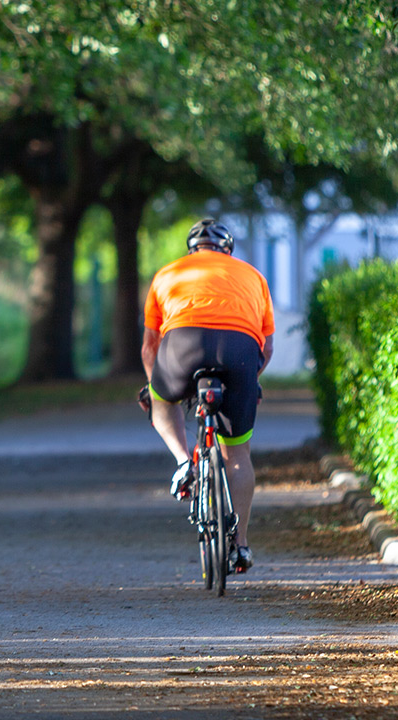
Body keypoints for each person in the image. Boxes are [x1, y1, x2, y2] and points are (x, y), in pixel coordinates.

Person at [140, 218, 273, 573]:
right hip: (240, 350)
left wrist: (156, 386)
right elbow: (267, 344)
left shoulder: (167, 273)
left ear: (191, 250)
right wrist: (249, 379)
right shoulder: (253, 276)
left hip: (182, 345)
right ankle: (240, 545)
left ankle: (184, 461)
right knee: (239, 454)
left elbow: (150, 345)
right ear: (227, 250)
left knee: (161, 400)